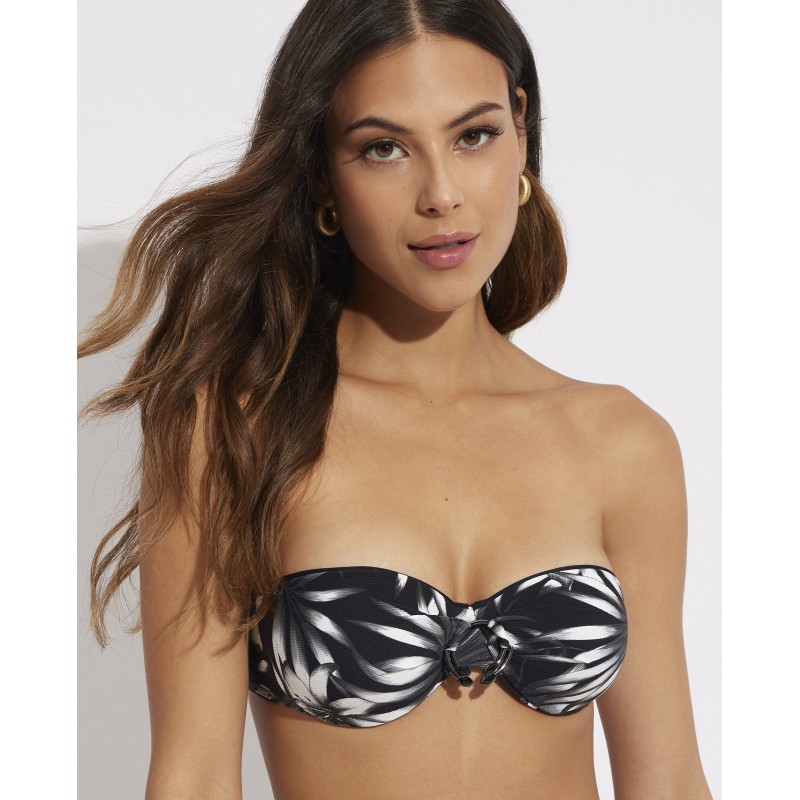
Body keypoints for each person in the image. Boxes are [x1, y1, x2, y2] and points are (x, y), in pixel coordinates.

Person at [79, 1, 713, 797]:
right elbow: (194, 777)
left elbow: (670, 781)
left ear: (521, 129)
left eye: (473, 135)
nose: (441, 194)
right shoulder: (233, 427)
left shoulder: (621, 443)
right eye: (384, 148)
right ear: (322, 173)